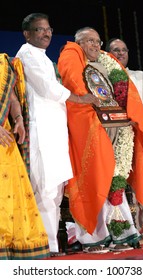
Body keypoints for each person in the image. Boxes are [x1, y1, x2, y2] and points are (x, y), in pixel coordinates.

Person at [57, 26, 143, 252]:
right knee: (97, 175)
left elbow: (122, 91)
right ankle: (95, 235)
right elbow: (76, 88)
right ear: (78, 43)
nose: (94, 45)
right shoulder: (74, 59)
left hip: (116, 126)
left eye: (97, 41)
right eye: (89, 41)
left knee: (115, 177)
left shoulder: (107, 63)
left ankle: (121, 231)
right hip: (91, 128)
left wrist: (126, 114)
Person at [15, 13, 99, 257]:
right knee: (44, 189)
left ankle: (51, 245)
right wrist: (81, 98)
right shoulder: (27, 54)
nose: (46, 33)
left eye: (48, 29)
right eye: (39, 30)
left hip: (55, 132)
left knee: (55, 191)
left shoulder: (41, 57)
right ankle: (43, 246)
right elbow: (48, 89)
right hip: (42, 132)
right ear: (27, 34)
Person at [106, 38, 143, 248]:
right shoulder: (101, 77)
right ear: (108, 54)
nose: (120, 53)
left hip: (141, 139)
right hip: (113, 140)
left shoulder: (140, 77)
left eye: (123, 50)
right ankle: (124, 233)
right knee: (117, 187)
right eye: (115, 50)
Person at [0, 53, 50, 259]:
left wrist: (18, 118)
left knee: (11, 192)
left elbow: (11, 96)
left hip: (6, 137)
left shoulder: (3, 63)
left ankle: (13, 247)